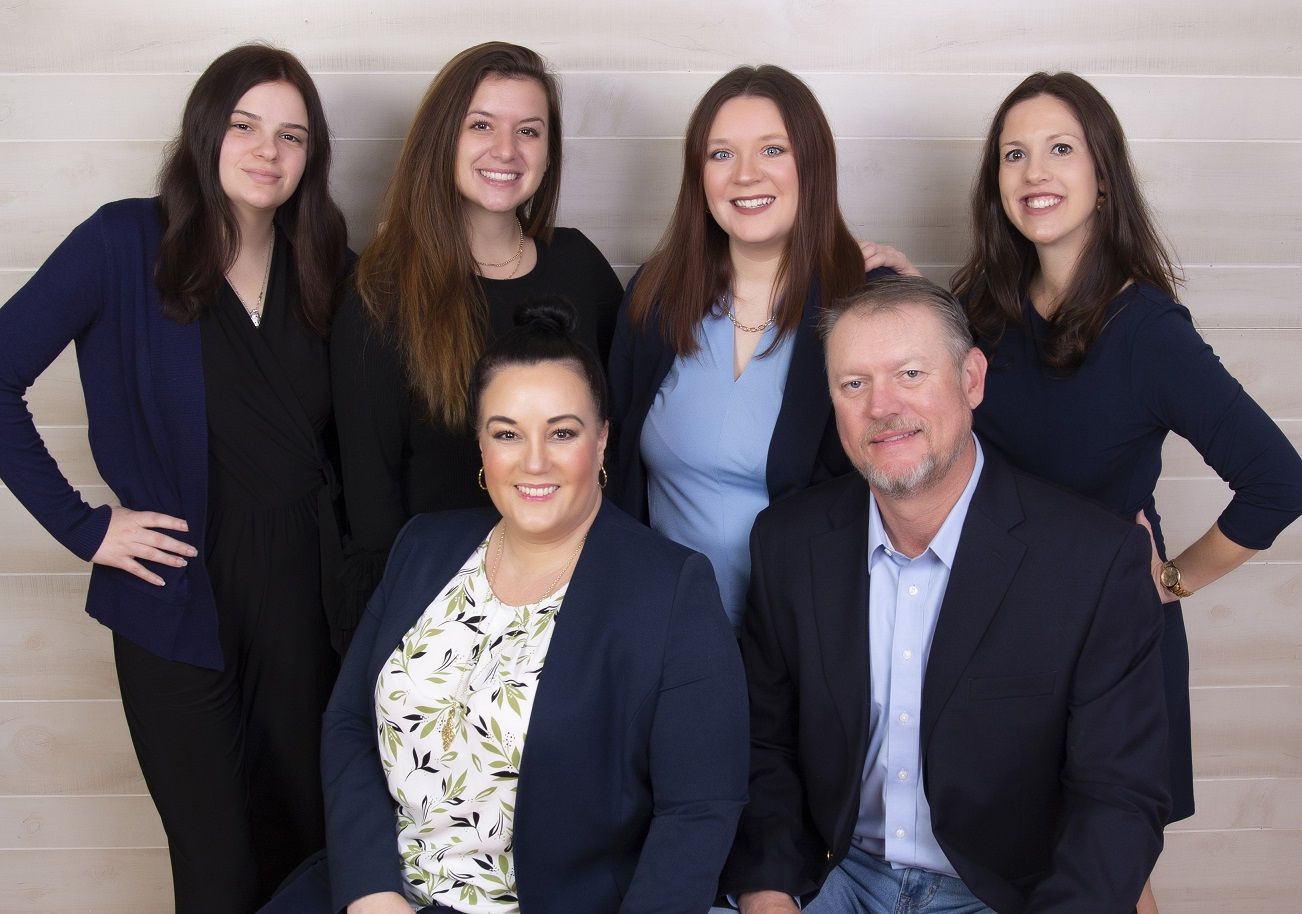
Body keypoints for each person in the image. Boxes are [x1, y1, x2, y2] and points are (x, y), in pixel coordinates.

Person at [0, 45, 350, 913]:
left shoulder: (332, 266)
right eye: (245, 126)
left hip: (307, 605)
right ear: (206, 131)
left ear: (311, 158)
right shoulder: (126, 241)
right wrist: (86, 528)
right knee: (217, 869)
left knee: (310, 854)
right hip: (173, 599)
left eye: (292, 136)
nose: (267, 152)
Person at [948, 71, 1302, 911]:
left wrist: (1171, 581)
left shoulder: (1146, 331)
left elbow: (1277, 481)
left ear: (1102, 175)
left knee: (1107, 878)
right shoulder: (980, 310)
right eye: (1014, 154)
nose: (1035, 171)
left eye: (1060, 149)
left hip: (1103, 649)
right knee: (1037, 872)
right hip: (998, 635)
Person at [263, 302, 748, 914]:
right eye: (507, 433)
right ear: (481, 448)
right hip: (374, 894)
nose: (534, 461)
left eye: (563, 432)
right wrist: (368, 891)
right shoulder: (424, 546)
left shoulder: (670, 588)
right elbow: (350, 721)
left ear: (602, 441)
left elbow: (699, 809)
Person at [721, 275, 1170, 914]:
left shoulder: (1093, 561)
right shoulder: (788, 544)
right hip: (835, 876)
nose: (882, 407)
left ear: (971, 380)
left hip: (1007, 894)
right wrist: (767, 893)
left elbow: (1119, 796)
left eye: (909, 374)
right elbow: (765, 745)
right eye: (854, 384)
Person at [332, 41, 622, 645]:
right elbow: (371, 496)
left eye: (530, 131)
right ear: (443, 138)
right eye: (481, 125)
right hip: (444, 616)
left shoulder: (581, 268)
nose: (506, 151)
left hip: (583, 601)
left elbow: (620, 440)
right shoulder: (383, 293)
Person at [609, 64, 891, 629]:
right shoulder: (655, 296)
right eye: (721, 155)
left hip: (810, 636)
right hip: (665, 629)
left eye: (772, 150)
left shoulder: (870, 307)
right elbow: (611, 468)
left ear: (812, 163)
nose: (745, 175)